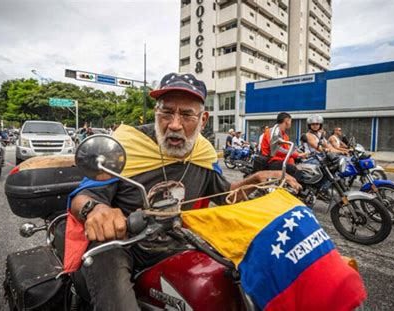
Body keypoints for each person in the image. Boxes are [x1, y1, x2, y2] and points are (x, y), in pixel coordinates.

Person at [68, 73, 300, 310]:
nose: (175, 124)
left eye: (187, 114)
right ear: (156, 113)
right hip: (122, 245)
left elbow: (224, 196)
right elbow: (83, 196)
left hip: (178, 240)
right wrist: (95, 209)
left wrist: (255, 180)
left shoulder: (202, 153)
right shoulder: (127, 145)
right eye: (166, 112)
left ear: (203, 120)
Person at [260, 112, 306, 181]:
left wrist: (299, 152)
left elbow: (288, 148)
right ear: (286, 121)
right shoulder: (273, 132)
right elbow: (277, 149)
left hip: (281, 160)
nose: (291, 123)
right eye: (290, 121)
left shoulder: (284, 135)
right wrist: (296, 154)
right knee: (295, 170)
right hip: (271, 161)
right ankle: (292, 190)